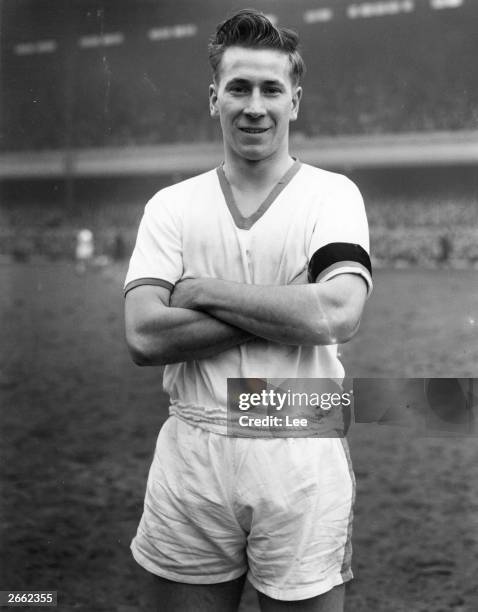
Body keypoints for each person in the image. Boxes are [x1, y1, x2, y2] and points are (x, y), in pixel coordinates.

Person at [124, 9, 372, 611]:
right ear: (214, 98)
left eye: (271, 89)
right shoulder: (171, 206)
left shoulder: (332, 195)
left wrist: (204, 289)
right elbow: (144, 336)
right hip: (194, 441)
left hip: (300, 433)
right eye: (238, 87)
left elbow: (336, 314)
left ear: (295, 101)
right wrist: (285, 302)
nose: (254, 105)